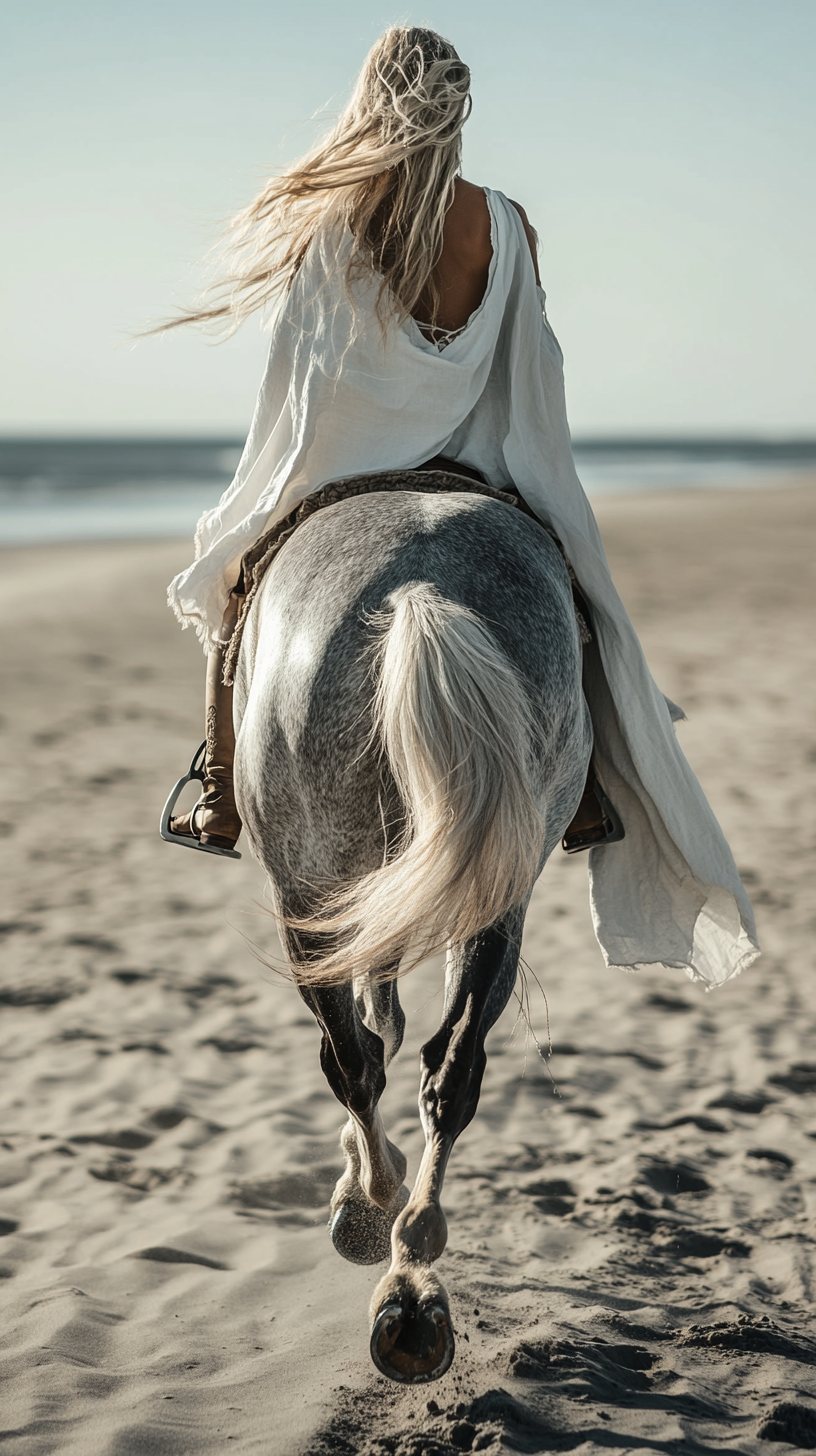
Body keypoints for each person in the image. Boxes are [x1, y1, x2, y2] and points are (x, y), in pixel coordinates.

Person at [160, 26, 758, 988]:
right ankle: (591, 788)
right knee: (566, 599)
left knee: (237, 591)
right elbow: (533, 369)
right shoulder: (509, 226)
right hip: (480, 467)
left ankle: (223, 795)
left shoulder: (333, 222)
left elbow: (303, 387)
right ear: (459, 109)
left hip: (345, 470)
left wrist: (286, 487)